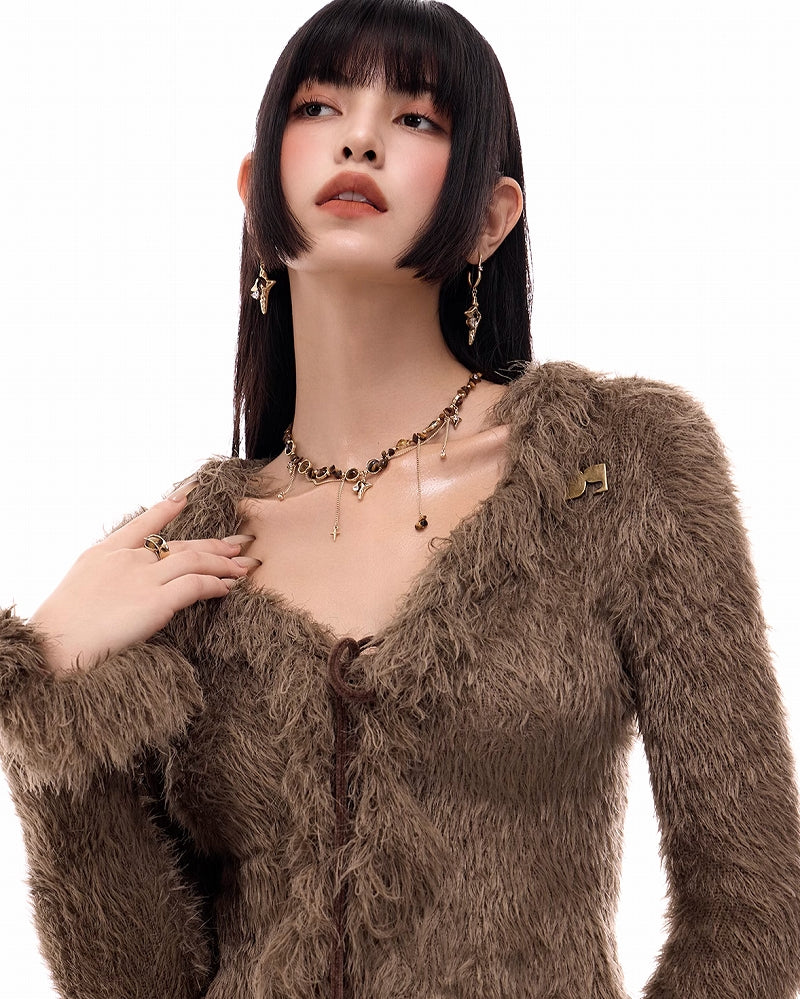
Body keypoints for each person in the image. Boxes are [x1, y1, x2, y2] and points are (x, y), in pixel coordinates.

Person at [1, 0, 799, 997]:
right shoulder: (181, 560)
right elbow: (138, 983)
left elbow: (754, 902)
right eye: (318, 107)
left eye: (417, 117)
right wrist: (51, 699)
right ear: (256, 191)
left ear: (489, 218)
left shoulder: (613, 464)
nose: (361, 137)